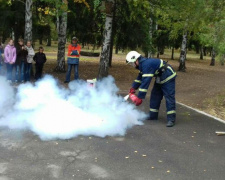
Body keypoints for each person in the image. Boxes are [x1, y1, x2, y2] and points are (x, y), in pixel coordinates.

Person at [126, 51, 177, 127]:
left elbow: (145, 82)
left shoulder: (146, 65)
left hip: (168, 76)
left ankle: (171, 119)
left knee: (169, 97)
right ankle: (153, 116)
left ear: (136, 60)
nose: (132, 65)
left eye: (132, 63)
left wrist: (139, 97)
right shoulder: (142, 65)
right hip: (160, 77)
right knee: (155, 95)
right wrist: (133, 87)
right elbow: (139, 78)